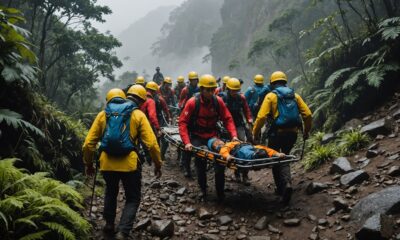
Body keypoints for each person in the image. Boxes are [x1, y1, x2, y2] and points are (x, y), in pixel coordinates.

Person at [82, 87, 162, 240]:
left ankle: (109, 224)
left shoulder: (102, 115)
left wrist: (89, 164)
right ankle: (123, 231)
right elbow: (151, 144)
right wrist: (158, 164)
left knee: (111, 191)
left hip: (106, 163)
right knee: (132, 198)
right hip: (130, 164)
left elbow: (88, 145)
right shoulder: (138, 114)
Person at [253, 71, 312, 205]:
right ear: (285, 82)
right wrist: (306, 131)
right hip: (292, 133)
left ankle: (282, 187)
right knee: (285, 156)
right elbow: (308, 114)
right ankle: (287, 183)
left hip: (276, 133)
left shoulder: (271, 96)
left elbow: (261, 117)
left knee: (275, 158)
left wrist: (255, 133)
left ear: (272, 84)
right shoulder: (295, 96)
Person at [179, 74, 238, 202]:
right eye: (208, 90)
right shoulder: (192, 103)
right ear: (202, 89)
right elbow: (183, 123)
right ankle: (202, 189)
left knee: (221, 158)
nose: (211, 92)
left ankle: (220, 191)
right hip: (197, 136)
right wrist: (187, 142)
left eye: (213, 90)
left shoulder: (218, 101)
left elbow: (227, 118)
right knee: (200, 160)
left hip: (212, 135)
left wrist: (233, 135)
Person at [219, 78, 253, 185]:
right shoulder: (222, 97)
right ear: (228, 89)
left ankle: (244, 175)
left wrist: (249, 119)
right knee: (225, 149)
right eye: (232, 90)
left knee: (242, 147)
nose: (234, 92)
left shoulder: (241, 98)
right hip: (224, 127)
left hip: (238, 125)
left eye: (236, 90)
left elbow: (246, 110)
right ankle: (225, 172)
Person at [146, 81, 172, 160]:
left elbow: (165, 109)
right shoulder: (146, 99)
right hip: (151, 121)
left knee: (163, 140)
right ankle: (155, 156)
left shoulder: (160, 99)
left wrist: (168, 118)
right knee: (154, 140)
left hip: (159, 120)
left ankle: (161, 155)